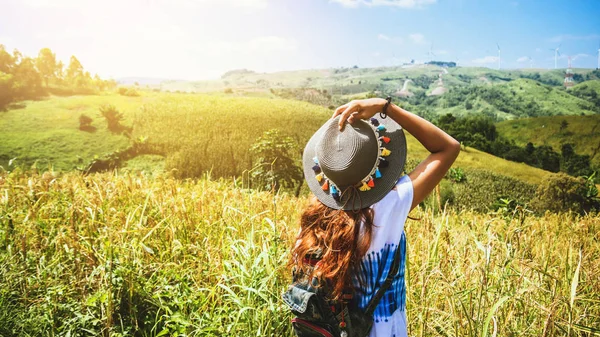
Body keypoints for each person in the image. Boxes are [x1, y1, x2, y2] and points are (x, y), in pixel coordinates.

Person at [291, 97, 460, 336]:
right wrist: (385, 106)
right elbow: (448, 147)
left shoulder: (311, 222)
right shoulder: (389, 206)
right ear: (378, 166)